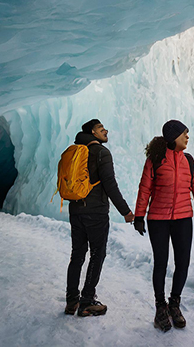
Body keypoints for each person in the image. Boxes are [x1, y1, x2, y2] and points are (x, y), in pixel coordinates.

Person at [133, 120, 194, 331]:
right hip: (158, 220)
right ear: (173, 136)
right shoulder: (155, 159)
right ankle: (160, 308)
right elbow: (145, 189)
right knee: (161, 263)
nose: (187, 137)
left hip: (183, 219)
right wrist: (139, 216)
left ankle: (174, 304)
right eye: (184, 133)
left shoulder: (189, 161)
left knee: (183, 263)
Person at [65, 119, 135, 317]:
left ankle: (72, 300)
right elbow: (110, 185)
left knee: (77, 255)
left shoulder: (76, 152)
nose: (105, 130)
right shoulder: (101, 153)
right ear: (93, 133)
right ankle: (87, 300)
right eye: (100, 128)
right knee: (97, 254)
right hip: (95, 213)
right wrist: (126, 212)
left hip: (76, 210)